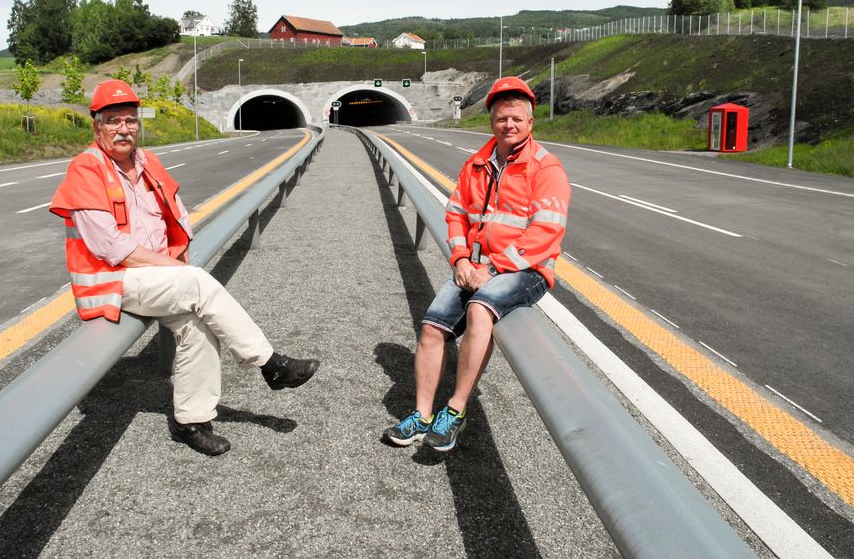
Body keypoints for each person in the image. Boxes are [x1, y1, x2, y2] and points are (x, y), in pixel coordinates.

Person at [50, 79, 319, 456]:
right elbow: (111, 248)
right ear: (97, 126)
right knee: (195, 283)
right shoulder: (86, 170)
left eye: (129, 120)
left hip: (153, 277)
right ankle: (270, 364)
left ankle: (190, 421)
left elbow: (172, 218)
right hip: (111, 281)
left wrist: (173, 262)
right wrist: (173, 267)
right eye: (113, 121)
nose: (123, 129)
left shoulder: (146, 162)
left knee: (198, 328)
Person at [384, 76, 570, 452]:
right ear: (491, 121)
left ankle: (455, 409)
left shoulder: (546, 170)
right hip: (475, 265)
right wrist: (462, 259)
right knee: (432, 328)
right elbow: (455, 214)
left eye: (517, 118)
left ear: (530, 122)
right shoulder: (477, 165)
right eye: (502, 118)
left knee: (481, 309)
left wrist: (493, 268)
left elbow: (545, 234)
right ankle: (421, 415)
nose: (509, 125)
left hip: (525, 270)